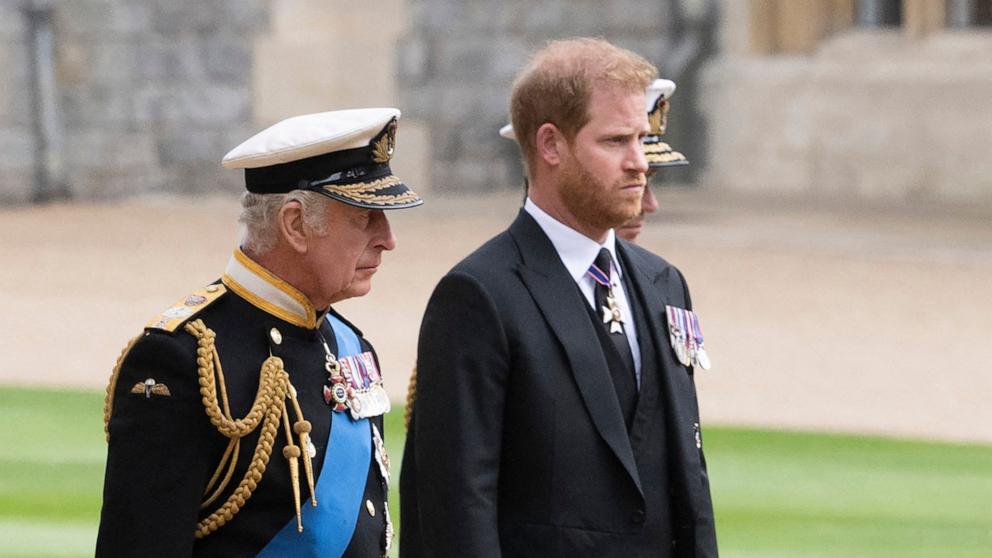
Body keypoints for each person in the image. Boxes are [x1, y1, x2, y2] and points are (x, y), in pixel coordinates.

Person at [400, 38, 717, 557]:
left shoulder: (664, 283)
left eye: (641, 138)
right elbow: (456, 508)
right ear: (550, 145)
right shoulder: (479, 296)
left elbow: (688, 479)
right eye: (616, 141)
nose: (639, 162)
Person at [97, 108, 422, 557]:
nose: (388, 239)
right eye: (366, 217)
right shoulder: (182, 360)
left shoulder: (350, 345)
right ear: (295, 225)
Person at [500, 78, 689, 243]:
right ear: (551, 147)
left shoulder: (656, 277)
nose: (650, 205)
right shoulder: (489, 281)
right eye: (616, 141)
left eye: (647, 180)